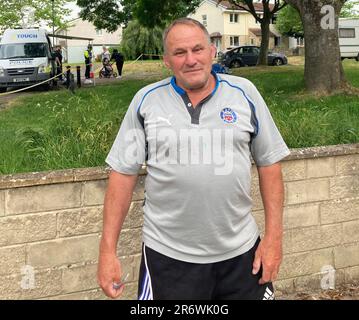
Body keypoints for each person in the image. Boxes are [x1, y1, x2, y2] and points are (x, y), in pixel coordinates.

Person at [97, 17, 290, 300]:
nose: (191, 60)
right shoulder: (146, 101)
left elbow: (269, 165)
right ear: (167, 61)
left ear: (212, 52)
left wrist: (274, 239)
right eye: (179, 53)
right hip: (168, 259)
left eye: (197, 49)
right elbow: (123, 176)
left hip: (242, 256)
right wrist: (107, 251)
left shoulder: (244, 94)